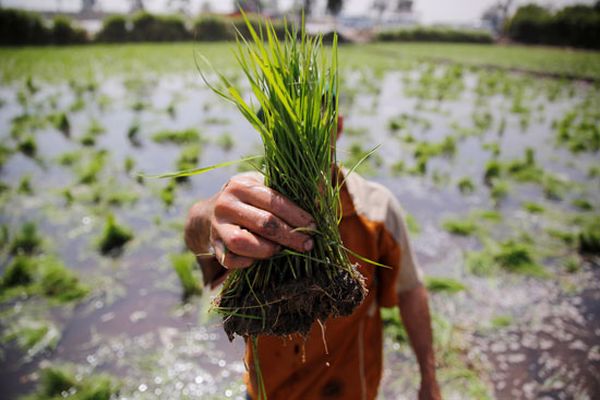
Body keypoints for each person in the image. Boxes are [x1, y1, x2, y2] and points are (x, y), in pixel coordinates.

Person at [184, 113, 442, 400]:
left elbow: (410, 290)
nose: (300, 137)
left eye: (312, 124)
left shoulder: (376, 210)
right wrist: (210, 215)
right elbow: (196, 233)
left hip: (347, 392)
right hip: (266, 392)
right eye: (282, 122)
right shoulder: (252, 206)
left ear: (338, 126)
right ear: (268, 130)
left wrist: (428, 377)